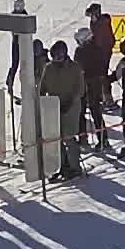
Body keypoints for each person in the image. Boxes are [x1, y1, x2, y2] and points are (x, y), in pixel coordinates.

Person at [39, 40, 85, 180]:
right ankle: (62, 165)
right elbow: (43, 86)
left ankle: (75, 167)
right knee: (56, 138)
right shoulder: (49, 68)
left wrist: (70, 102)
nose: (56, 60)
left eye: (59, 57)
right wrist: (41, 100)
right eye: (54, 57)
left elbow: (81, 89)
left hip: (71, 107)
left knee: (69, 137)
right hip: (54, 107)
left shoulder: (74, 67)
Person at [74, 27, 111, 153]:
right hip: (96, 84)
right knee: (96, 112)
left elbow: (77, 68)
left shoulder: (80, 51)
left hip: (85, 84)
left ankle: (83, 137)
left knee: (81, 111)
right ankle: (103, 139)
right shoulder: (98, 48)